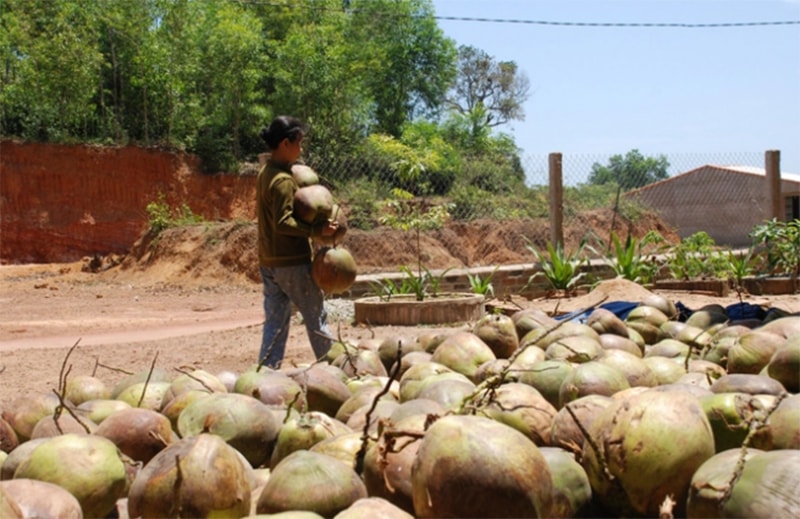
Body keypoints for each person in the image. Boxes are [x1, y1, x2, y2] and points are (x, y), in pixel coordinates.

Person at [256, 115, 338, 368]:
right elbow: (283, 222)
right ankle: (333, 369)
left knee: (275, 323)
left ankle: (266, 372)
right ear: (284, 143)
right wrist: (316, 229)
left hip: (269, 261)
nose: (301, 149)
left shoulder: (265, 173)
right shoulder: (282, 182)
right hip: (291, 262)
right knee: (316, 317)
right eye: (299, 143)